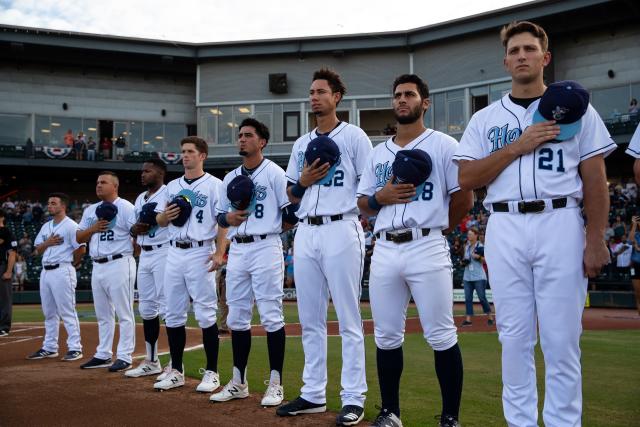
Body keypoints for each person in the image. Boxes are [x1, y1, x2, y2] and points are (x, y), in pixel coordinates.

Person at [454, 21, 614, 426]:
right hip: (505, 225)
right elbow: (468, 179)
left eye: (530, 48)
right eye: (515, 50)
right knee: (514, 340)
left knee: (562, 341)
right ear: (505, 61)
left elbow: (595, 179)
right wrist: (517, 146)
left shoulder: (579, 110)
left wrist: (595, 238)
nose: (522, 55)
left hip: (560, 220)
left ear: (545, 58)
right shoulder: (486, 119)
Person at [357, 74, 472, 427]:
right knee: (387, 334)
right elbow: (363, 203)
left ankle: (450, 417)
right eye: (397, 95)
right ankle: (390, 412)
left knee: (440, 333)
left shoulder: (444, 145)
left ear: (425, 102)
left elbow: (464, 198)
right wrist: (381, 197)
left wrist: (437, 226)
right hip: (386, 247)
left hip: (427, 244)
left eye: (410, 94)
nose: (402, 100)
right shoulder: (378, 153)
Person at [277, 68, 372, 426]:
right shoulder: (301, 144)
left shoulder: (356, 137)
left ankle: (353, 397)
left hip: (341, 225)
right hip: (306, 230)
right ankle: (313, 393)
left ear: (337, 97)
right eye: (312, 92)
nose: (314, 97)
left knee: (348, 317)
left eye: (321, 91)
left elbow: (368, 186)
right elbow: (291, 194)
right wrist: (301, 181)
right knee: (309, 320)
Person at [211, 118, 297, 407]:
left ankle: (276, 384)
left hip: (265, 246)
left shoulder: (273, 172)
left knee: (272, 316)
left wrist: (271, 231)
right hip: (238, 249)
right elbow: (220, 217)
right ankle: (239, 382)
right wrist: (229, 220)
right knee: (236, 318)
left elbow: (290, 214)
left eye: (248, 135)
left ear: (262, 142)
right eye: (240, 136)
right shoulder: (230, 177)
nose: (242, 140)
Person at [152, 136, 228, 393]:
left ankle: (212, 372)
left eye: (190, 151)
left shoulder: (215, 185)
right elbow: (161, 221)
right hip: (174, 251)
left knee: (206, 312)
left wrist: (220, 252)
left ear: (202, 155)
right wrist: (164, 216)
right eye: (182, 151)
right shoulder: (172, 186)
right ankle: (176, 370)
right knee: (173, 313)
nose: (184, 155)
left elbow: (223, 222)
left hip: (200, 251)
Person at [77, 172, 137, 372]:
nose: (99, 185)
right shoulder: (91, 210)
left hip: (119, 262)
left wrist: (129, 256)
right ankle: (103, 354)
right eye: (97, 182)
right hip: (98, 264)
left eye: (103, 182)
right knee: (103, 314)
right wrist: (93, 228)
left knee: (124, 312)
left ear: (115, 186)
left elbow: (138, 236)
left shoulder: (127, 207)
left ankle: (125, 356)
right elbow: (78, 238)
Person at [125, 159, 170, 378]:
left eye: (147, 171)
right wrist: (134, 229)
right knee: (147, 309)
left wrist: (151, 221)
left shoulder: (168, 192)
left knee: (169, 308)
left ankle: (174, 364)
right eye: (142, 170)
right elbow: (134, 227)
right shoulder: (139, 198)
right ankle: (152, 361)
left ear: (160, 173)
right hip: (145, 253)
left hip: (164, 251)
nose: (142, 174)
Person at [27, 193, 85, 361]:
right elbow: (36, 250)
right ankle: (50, 347)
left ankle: (75, 348)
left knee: (67, 311)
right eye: (49, 203)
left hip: (62, 269)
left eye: (53, 203)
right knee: (49, 313)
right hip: (46, 271)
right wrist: (48, 243)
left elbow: (81, 248)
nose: (49, 206)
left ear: (63, 207)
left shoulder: (71, 226)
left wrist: (73, 264)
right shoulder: (46, 226)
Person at [460, 227, 494, 327]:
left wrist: (479, 257)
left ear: (476, 235)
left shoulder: (481, 246)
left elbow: (486, 260)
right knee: (468, 298)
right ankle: (468, 320)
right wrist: (463, 262)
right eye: (468, 234)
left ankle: (490, 317)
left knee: (482, 297)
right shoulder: (466, 246)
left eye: (470, 234)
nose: (468, 236)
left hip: (479, 276)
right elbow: (465, 258)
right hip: (467, 276)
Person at [0, 208, 17, 336]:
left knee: (4, 298)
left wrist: (9, 271)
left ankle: (4, 327)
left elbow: (12, 253)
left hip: (2, 267)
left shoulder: (6, 232)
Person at [629, 216, 640, 315]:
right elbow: (630, 240)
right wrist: (634, 225)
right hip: (636, 266)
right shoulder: (635, 234)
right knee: (638, 294)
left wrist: (637, 246)